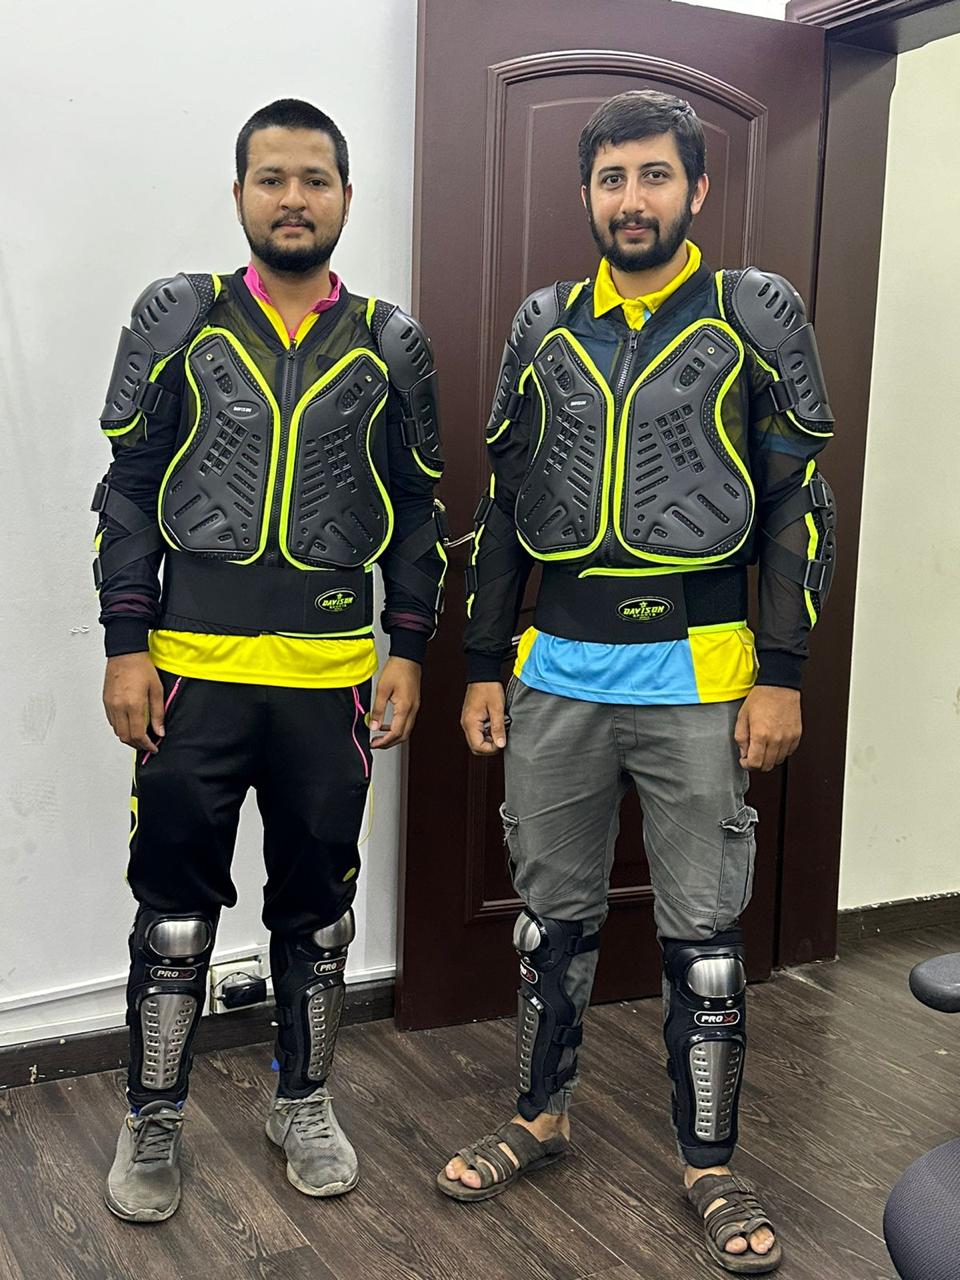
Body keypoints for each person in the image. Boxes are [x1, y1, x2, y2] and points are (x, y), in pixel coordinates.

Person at [440, 90, 836, 1275]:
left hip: (701, 672)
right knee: (548, 924)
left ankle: (709, 1162)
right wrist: (481, 661)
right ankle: (539, 1117)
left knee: (704, 937)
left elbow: (795, 505)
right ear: (588, 193)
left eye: (655, 175)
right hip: (556, 666)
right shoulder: (544, 324)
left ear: (696, 188)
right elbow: (504, 503)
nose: (632, 199)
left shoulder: (752, 311)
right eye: (612, 178)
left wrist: (782, 673)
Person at [93, 98, 446, 1222]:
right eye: (272, 178)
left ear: (346, 196)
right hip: (189, 676)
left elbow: (420, 515)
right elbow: (129, 492)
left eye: (315, 180)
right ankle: (153, 1113)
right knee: (174, 914)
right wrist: (125, 647)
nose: (294, 199)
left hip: (330, 684)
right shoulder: (179, 321)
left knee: (319, 910)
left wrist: (408, 649)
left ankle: (303, 1099)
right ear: (241, 192)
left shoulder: (392, 344)